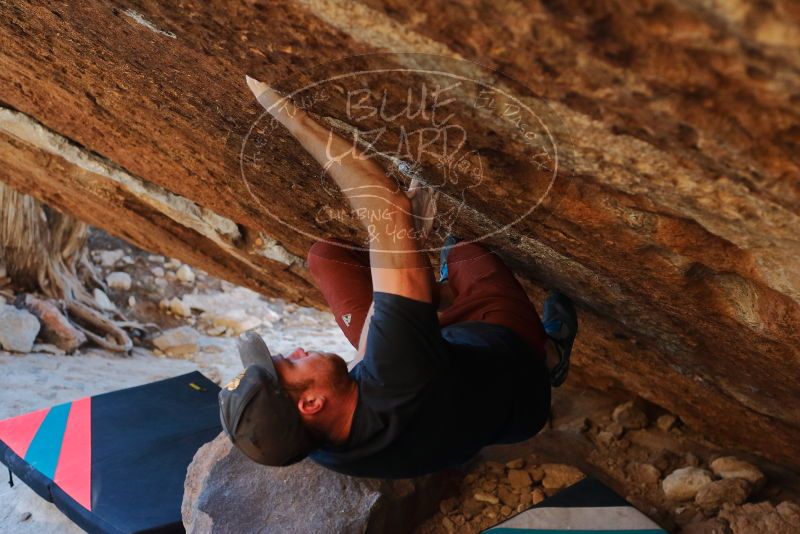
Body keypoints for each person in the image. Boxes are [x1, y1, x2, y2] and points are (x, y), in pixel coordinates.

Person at [218, 76, 578, 479]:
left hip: (447, 388)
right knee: (463, 253)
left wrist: (406, 269)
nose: (297, 350)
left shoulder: (315, 442)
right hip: (507, 370)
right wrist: (284, 110)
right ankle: (550, 356)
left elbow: (366, 363)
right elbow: (384, 205)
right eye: (289, 363)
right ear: (311, 403)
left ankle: (416, 296)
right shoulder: (396, 376)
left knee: (328, 259)